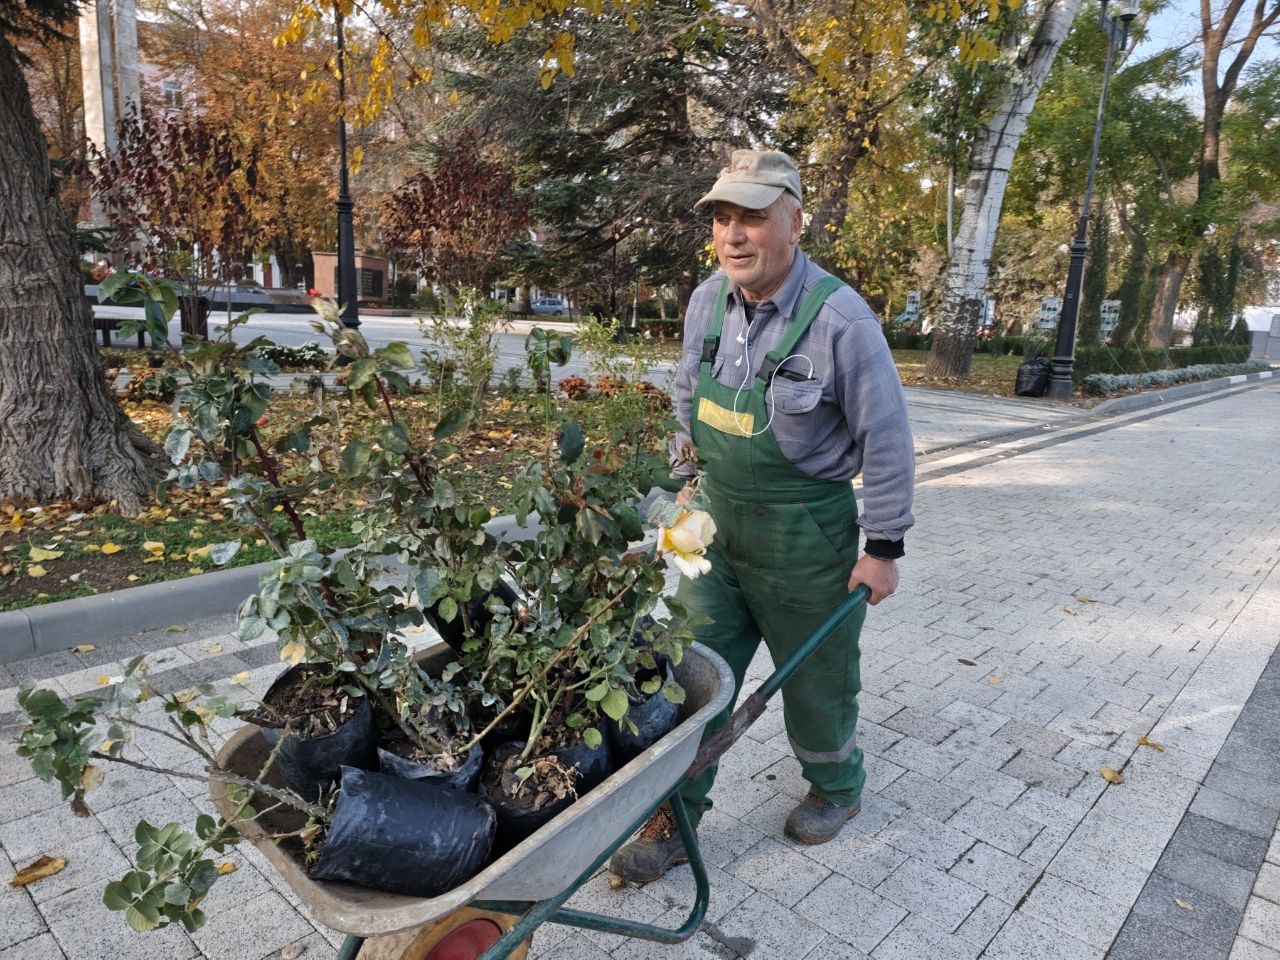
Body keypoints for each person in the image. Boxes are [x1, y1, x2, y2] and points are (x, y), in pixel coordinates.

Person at [610, 149, 915, 883]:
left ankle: (837, 787)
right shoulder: (706, 300)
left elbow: (888, 437)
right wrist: (685, 480)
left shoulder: (841, 319)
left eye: (752, 216)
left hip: (807, 540)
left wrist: (883, 547)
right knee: (687, 678)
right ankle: (676, 814)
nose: (734, 234)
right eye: (722, 217)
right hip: (715, 531)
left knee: (817, 682)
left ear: (795, 222)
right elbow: (688, 393)